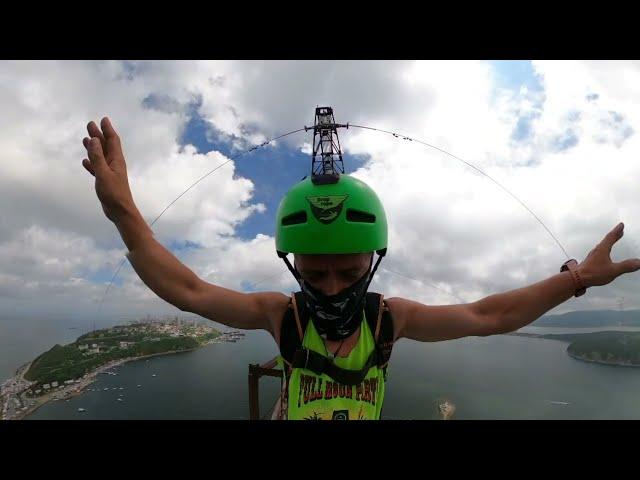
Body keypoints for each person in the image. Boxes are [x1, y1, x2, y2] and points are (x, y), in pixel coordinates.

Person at [82, 117, 640, 420]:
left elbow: (487, 314)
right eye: (316, 275)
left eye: (349, 276)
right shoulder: (284, 315)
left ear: (373, 265)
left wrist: (576, 280)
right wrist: (124, 215)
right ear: (292, 266)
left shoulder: (390, 320)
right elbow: (187, 291)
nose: (331, 290)